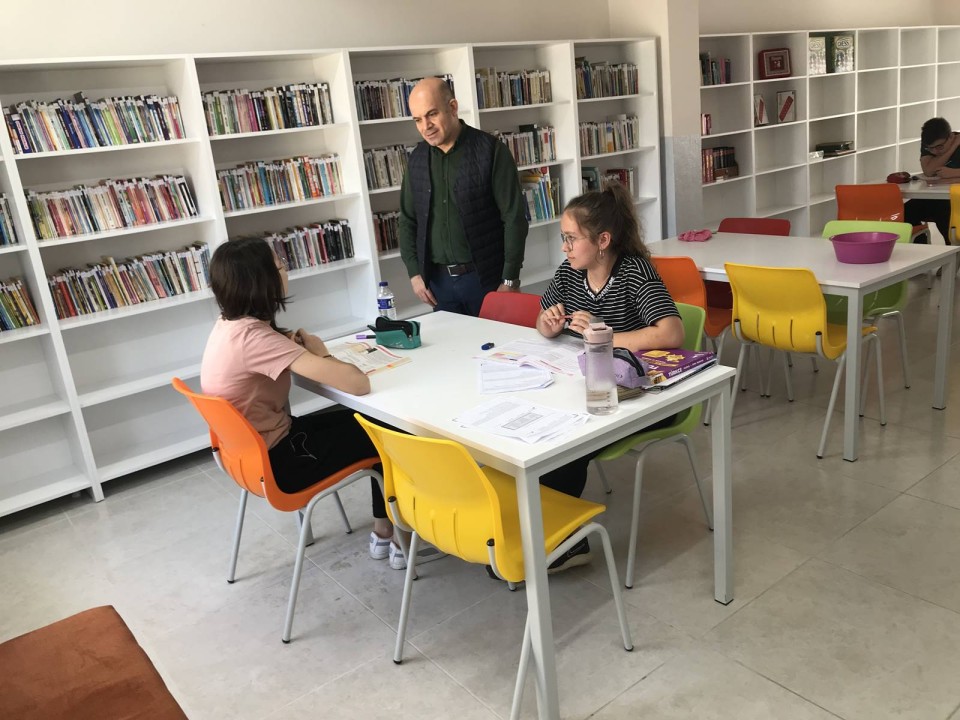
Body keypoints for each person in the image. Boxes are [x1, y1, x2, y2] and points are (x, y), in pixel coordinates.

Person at [200, 237, 433, 570]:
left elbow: (259, 355)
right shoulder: (256, 339)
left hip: (248, 457)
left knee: (361, 420)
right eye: (279, 266)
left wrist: (288, 344)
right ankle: (398, 539)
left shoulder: (228, 326)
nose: (285, 270)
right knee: (387, 432)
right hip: (283, 463)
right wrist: (321, 354)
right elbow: (358, 383)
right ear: (261, 280)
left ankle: (384, 531)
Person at [534, 183, 684, 570]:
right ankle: (543, 530)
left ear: (603, 240)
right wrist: (548, 324)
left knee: (567, 442)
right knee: (546, 430)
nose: (565, 248)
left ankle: (566, 541)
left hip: (643, 394)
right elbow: (542, 318)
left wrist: (603, 335)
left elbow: (671, 333)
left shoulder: (633, 272)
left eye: (571, 239)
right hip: (592, 385)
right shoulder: (570, 273)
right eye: (564, 238)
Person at [399, 76, 529, 316]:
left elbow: (514, 218)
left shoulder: (491, 151)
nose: (425, 126)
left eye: (432, 114)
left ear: (453, 107)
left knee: (494, 340)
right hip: (438, 284)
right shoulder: (416, 158)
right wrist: (414, 273)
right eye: (417, 119)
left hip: (485, 279)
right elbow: (407, 219)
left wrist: (510, 279)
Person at [905, 117, 960, 243]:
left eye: (940, 147)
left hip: (955, 198)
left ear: (951, 137)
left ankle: (952, 252)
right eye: (931, 148)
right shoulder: (929, 143)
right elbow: (929, 171)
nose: (935, 151)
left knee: (946, 215)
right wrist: (952, 147)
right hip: (936, 197)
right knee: (905, 213)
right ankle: (921, 249)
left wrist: (953, 173)